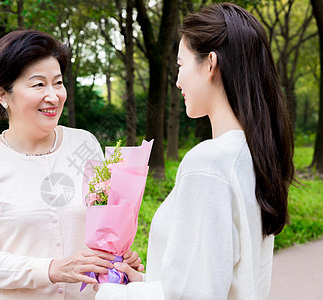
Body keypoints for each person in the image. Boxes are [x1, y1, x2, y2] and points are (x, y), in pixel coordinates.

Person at [95, 3, 295, 299]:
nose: (177, 81)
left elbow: (190, 295)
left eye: (180, 65)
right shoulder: (254, 156)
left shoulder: (209, 163)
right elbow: (214, 279)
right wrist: (143, 282)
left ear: (210, 63)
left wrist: (110, 293)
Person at [0, 30, 142, 300]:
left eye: (58, 83)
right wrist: (52, 269)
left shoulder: (85, 144)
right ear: (2, 95)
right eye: (38, 85)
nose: (53, 96)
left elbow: (105, 227)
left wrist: (120, 260)